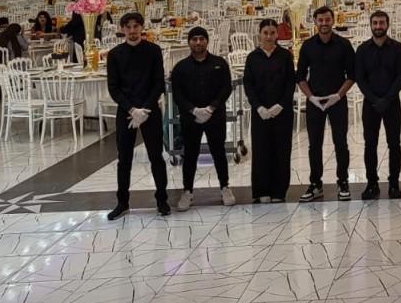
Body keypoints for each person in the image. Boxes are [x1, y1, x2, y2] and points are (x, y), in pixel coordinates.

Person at [105, 11, 169, 219]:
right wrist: (132, 110)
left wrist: (145, 110)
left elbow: (158, 82)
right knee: (124, 159)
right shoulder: (115, 54)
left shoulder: (153, 50)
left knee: (156, 157)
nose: (132, 31)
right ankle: (122, 202)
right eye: (128, 27)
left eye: (136, 26)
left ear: (142, 27)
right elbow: (114, 88)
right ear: (122, 29)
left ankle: (162, 200)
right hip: (126, 112)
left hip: (150, 111)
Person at [170, 26, 235, 210]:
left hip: (215, 116)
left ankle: (225, 187)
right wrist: (193, 110)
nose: (198, 42)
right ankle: (187, 191)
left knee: (219, 152)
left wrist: (211, 107)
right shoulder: (181, 67)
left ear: (207, 41)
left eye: (201, 39)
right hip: (191, 118)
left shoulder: (219, 63)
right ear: (189, 42)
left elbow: (226, 88)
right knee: (190, 154)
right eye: (194, 39)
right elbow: (177, 94)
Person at [296, 6, 355, 203]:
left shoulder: (344, 45)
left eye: (327, 20)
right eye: (320, 20)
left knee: (341, 143)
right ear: (315, 22)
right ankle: (315, 184)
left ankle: (343, 181)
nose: (324, 23)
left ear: (333, 21)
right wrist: (311, 97)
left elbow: (352, 75)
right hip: (315, 101)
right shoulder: (307, 46)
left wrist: (338, 96)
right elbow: (300, 76)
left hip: (337, 99)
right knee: (315, 145)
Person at [354, 10, 401, 199]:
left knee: (394, 144)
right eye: (375, 23)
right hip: (371, 103)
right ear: (371, 25)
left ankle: (394, 183)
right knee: (370, 144)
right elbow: (360, 77)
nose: (378, 26)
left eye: (381, 23)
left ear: (387, 24)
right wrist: (375, 99)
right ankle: (371, 183)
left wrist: (387, 98)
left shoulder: (397, 48)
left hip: (392, 102)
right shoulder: (362, 50)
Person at [243, 18, 295, 202]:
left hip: (282, 112)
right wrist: (258, 107)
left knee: (281, 149)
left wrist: (281, 105)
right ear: (260, 34)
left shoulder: (285, 56)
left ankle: (279, 191)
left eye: (273, 33)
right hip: (260, 113)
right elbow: (248, 85)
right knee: (261, 149)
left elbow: (291, 83)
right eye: (266, 32)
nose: (269, 36)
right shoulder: (252, 57)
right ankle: (261, 191)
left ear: (277, 34)